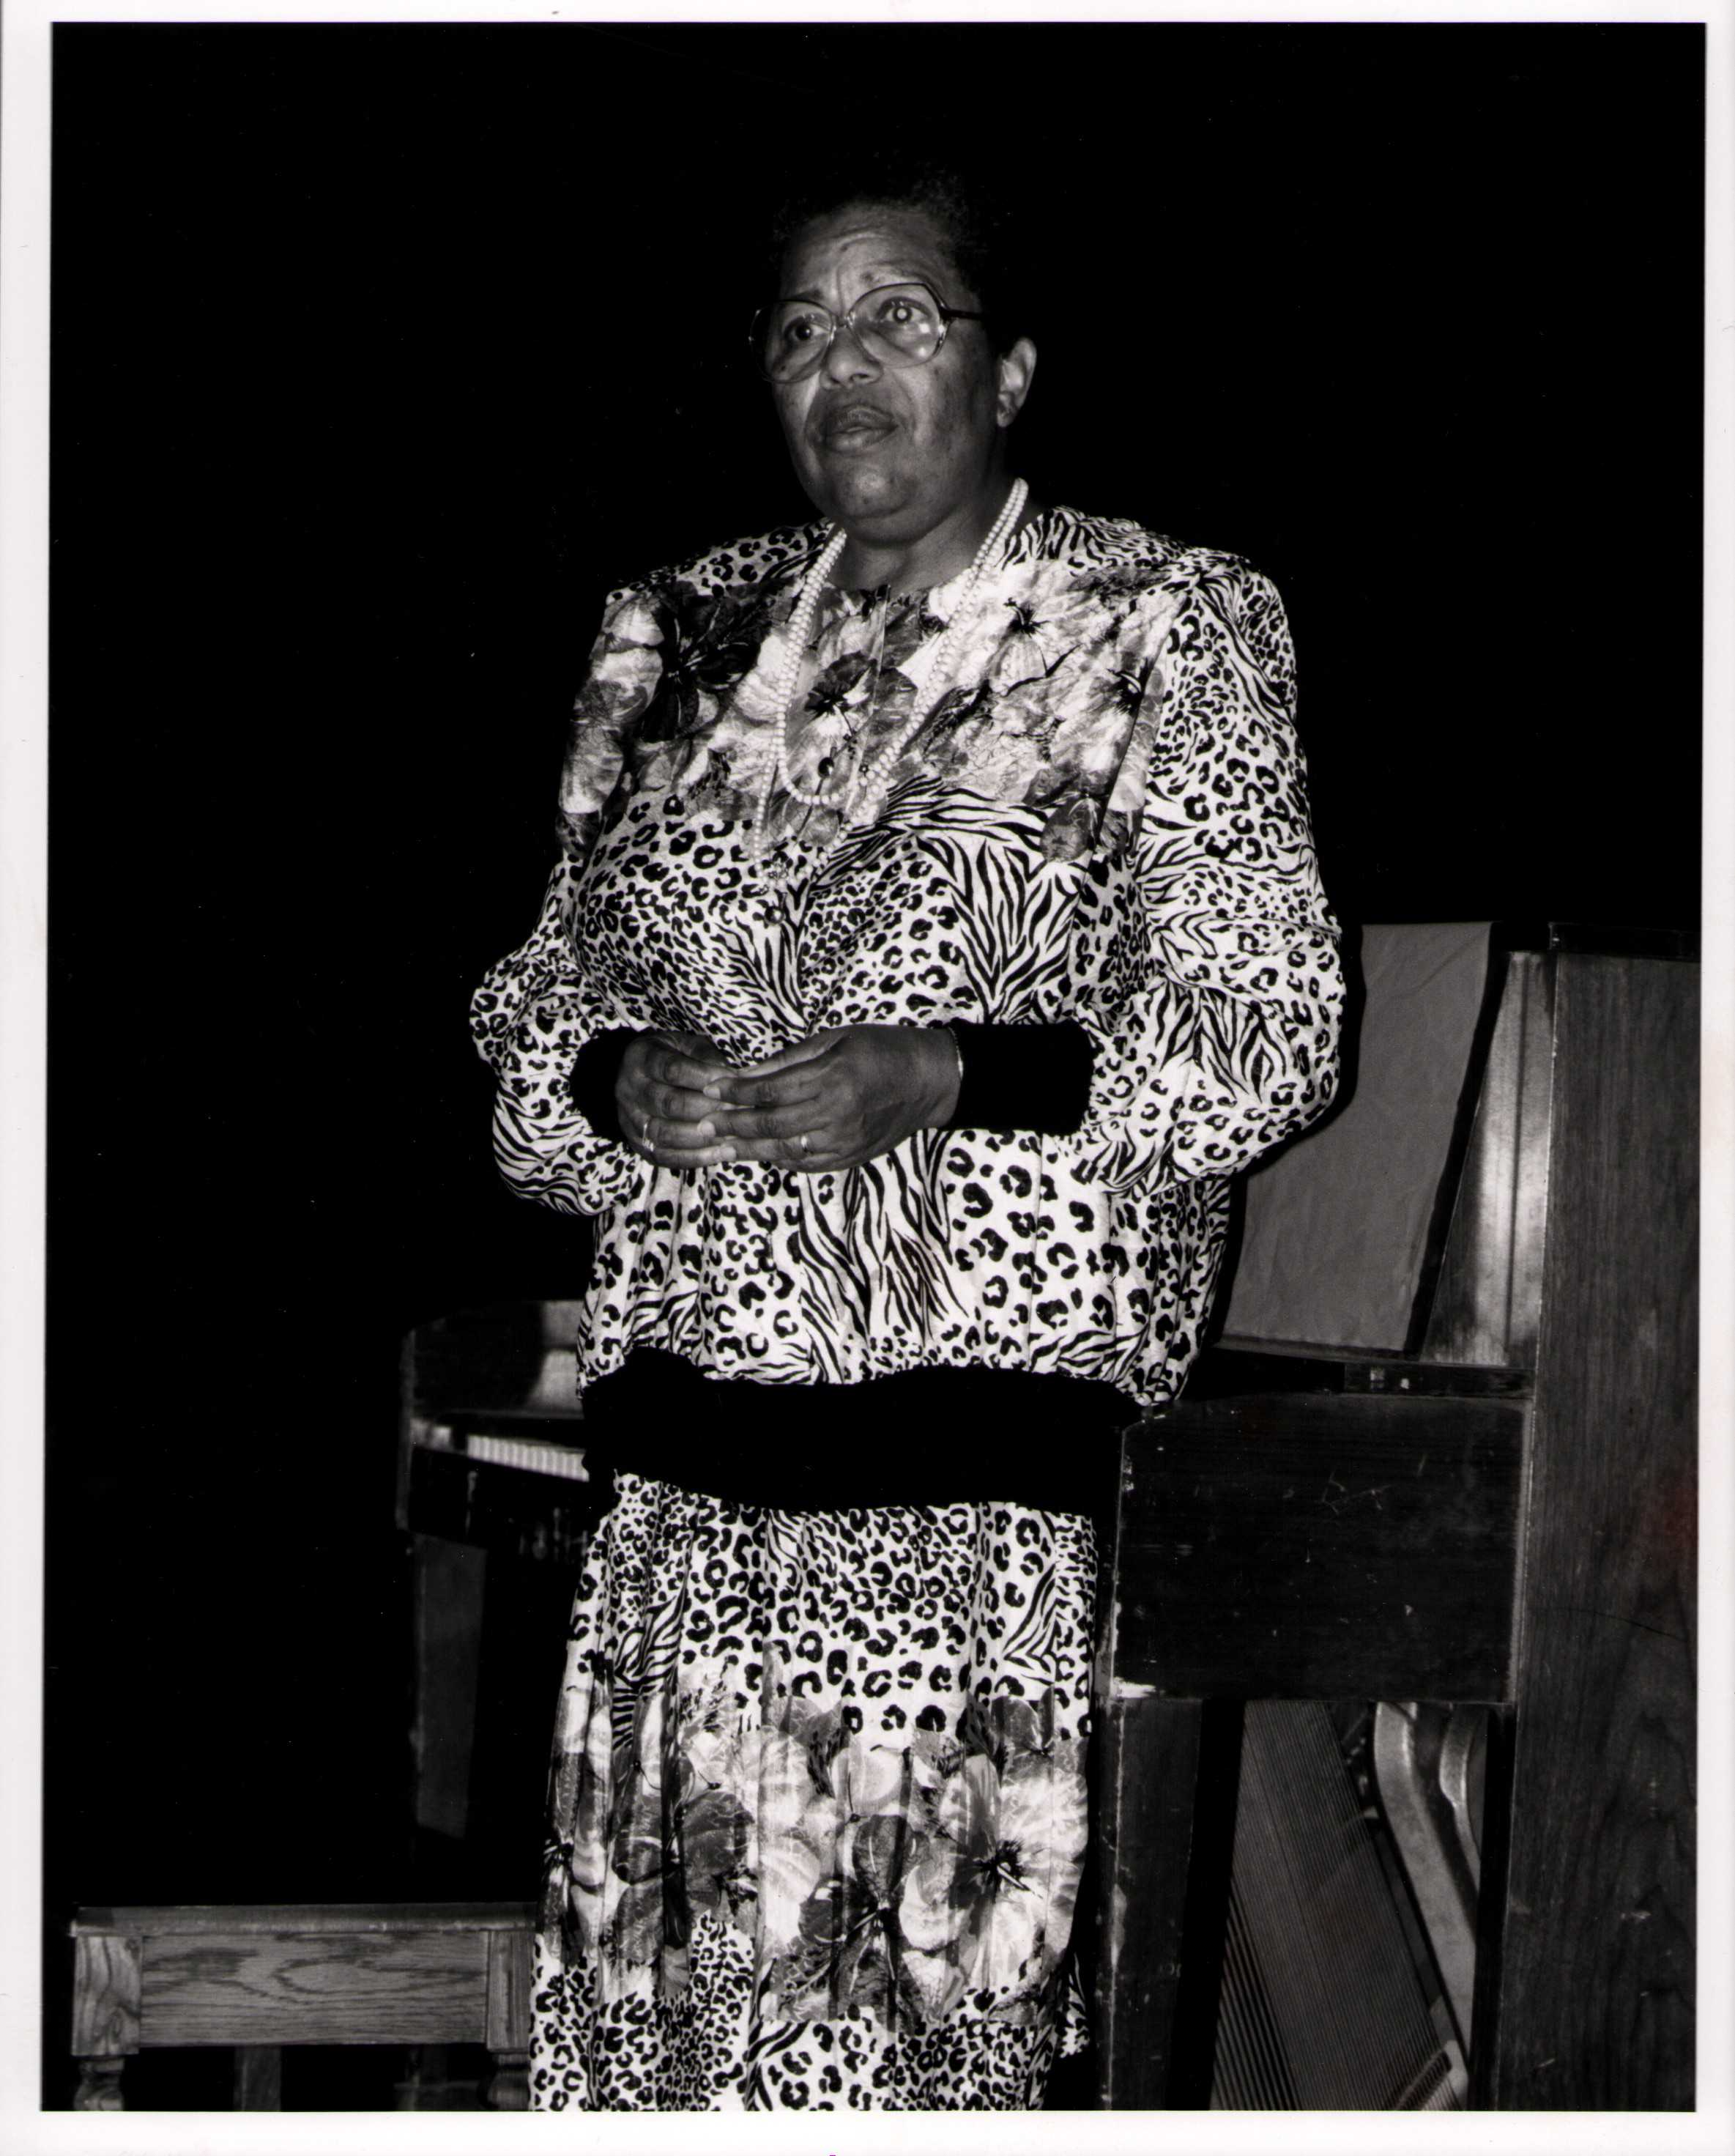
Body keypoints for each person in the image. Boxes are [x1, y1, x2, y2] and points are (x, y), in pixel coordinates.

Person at [469, 162, 1344, 2111]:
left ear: (1011, 368)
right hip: (675, 1525)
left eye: (898, 318)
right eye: (799, 330)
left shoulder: (1162, 624)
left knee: (892, 2090)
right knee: (659, 2080)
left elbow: (1272, 1037)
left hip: (957, 1523)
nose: (838, 364)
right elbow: (530, 1021)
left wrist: (954, 1071)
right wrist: (615, 1081)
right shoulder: (674, 637)